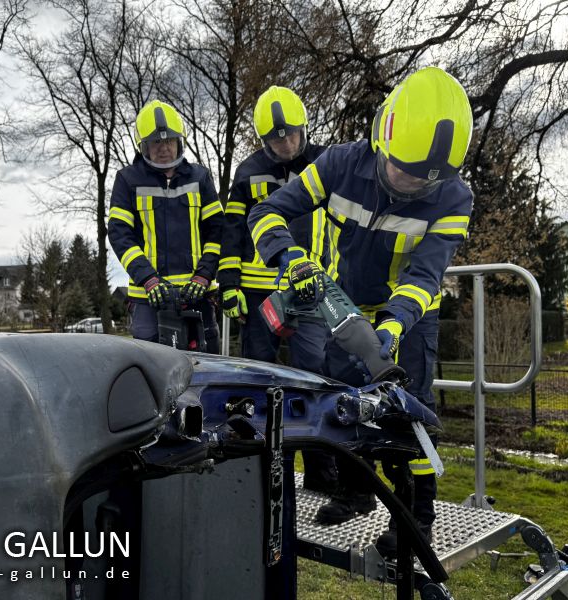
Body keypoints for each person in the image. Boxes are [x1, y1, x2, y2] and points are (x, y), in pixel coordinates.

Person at [247, 67, 473, 542]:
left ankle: (415, 518)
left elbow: (425, 276)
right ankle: (353, 492)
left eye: (423, 183)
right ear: (382, 137)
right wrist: (288, 258)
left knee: (406, 413)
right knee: (336, 402)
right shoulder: (339, 164)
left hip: (406, 315)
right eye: (403, 172)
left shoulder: (454, 198)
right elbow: (266, 212)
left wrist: (392, 328)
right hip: (339, 308)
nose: (410, 187)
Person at [218, 86, 346, 508]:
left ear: (304, 128)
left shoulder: (327, 162)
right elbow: (234, 230)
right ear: (262, 140)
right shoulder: (247, 172)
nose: (285, 144)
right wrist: (230, 284)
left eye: (291, 135)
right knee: (257, 377)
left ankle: (322, 473)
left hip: (312, 287)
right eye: (275, 139)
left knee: (316, 376)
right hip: (259, 290)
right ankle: (259, 467)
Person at [108, 100, 224, 352]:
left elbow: (216, 231)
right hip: (149, 299)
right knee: (151, 371)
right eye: (156, 142)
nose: (164, 148)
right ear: (144, 146)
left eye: (169, 140)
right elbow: (120, 235)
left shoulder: (200, 177)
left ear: (179, 141)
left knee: (207, 370)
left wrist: (204, 275)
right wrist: (148, 279)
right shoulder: (128, 180)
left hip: (197, 294)